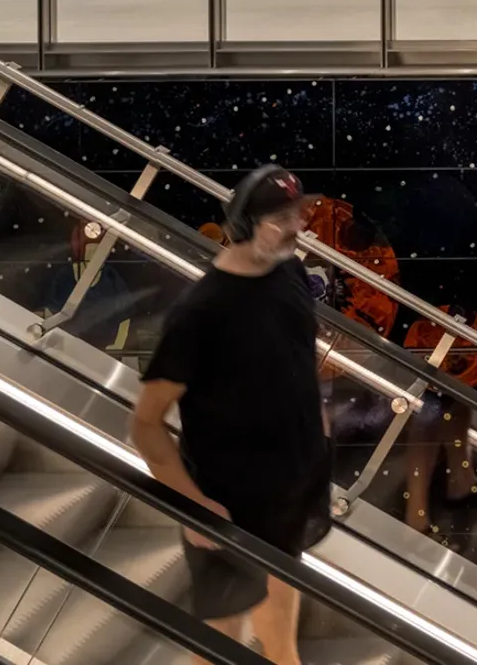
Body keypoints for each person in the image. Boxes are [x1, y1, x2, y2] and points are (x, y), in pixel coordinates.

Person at [133, 165, 331, 665]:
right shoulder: (200, 315)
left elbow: (299, 353)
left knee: (281, 635)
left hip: (286, 493)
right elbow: (145, 424)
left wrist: (317, 425)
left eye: (297, 214)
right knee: (219, 640)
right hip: (226, 503)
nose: (297, 227)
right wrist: (193, 504)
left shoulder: (287, 271)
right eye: (282, 218)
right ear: (244, 224)